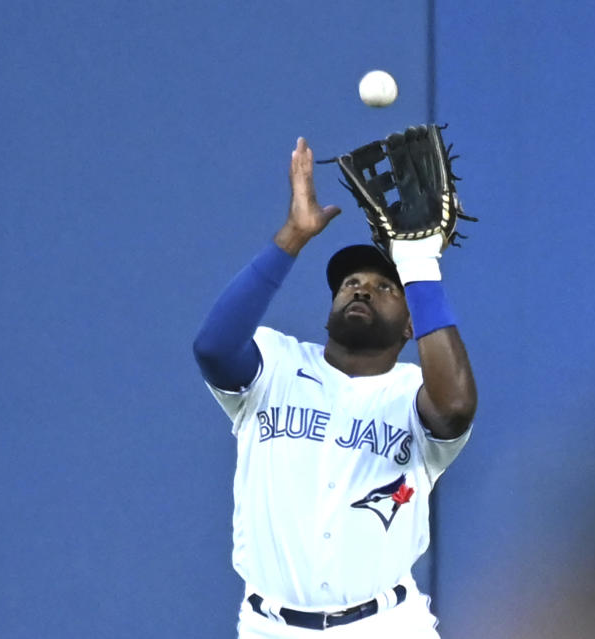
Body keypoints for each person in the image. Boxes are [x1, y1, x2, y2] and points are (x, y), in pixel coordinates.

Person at [193, 136, 478, 638]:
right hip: (269, 627)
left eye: (385, 287)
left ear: (411, 326)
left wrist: (417, 266)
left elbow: (454, 409)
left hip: (386, 626)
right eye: (350, 284)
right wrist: (293, 237)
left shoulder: (415, 392)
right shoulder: (275, 365)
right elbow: (213, 349)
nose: (362, 287)